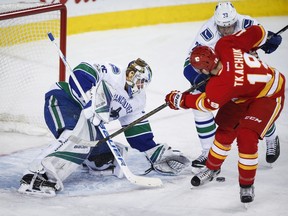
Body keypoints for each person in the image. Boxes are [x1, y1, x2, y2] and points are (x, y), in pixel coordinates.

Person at [18, 58, 190, 197]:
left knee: (105, 153)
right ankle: (36, 175)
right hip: (63, 100)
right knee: (78, 138)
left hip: (88, 118)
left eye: (145, 83)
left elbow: (135, 129)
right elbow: (83, 71)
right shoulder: (113, 73)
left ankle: (94, 160)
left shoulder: (138, 100)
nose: (141, 86)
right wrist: (84, 97)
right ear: (131, 74)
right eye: (140, 81)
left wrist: (153, 151)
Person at [165, 25, 285, 203]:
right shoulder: (225, 45)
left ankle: (246, 185)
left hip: (269, 94)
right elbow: (255, 31)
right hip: (246, 93)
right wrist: (265, 36)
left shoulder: (219, 86)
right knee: (225, 129)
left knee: (246, 137)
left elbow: (205, 103)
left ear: (204, 70)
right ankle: (212, 168)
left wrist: (180, 100)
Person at [183, 1, 282, 168]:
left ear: (236, 20)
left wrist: (269, 40)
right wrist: (198, 80)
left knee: (255, 106)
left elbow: (260, 36)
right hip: (221, 73)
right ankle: (208, 153)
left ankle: (271, 137)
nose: (227, 30)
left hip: (248, 72)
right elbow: (190, 62)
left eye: (230, 26)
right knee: (199, 105)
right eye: (223, 27)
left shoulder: (247, 23)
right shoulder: (207, 34)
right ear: (216, 23)